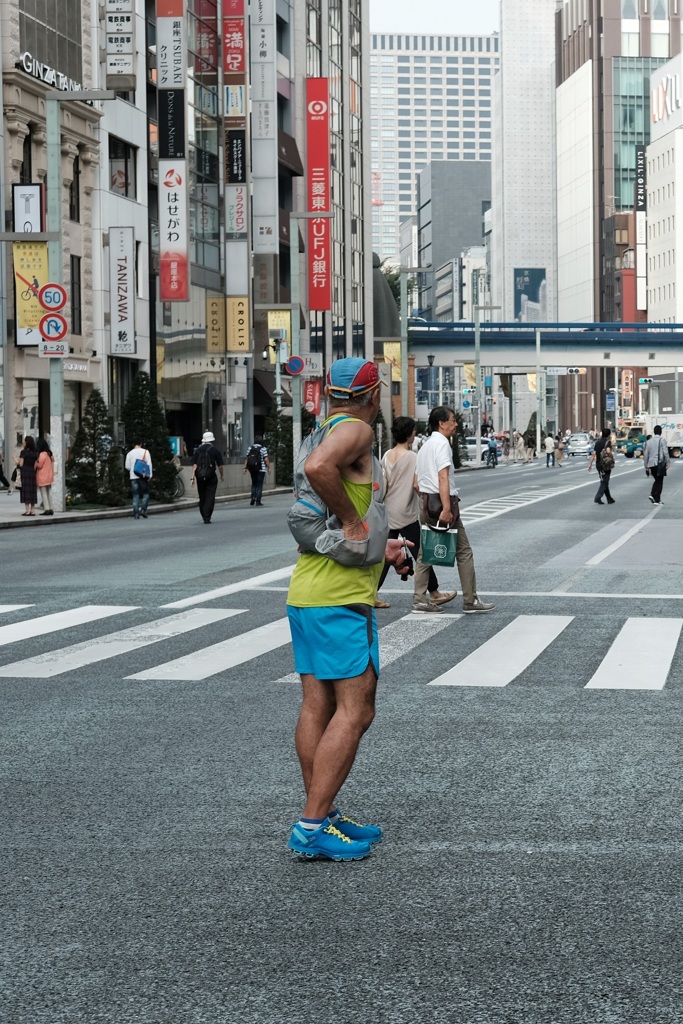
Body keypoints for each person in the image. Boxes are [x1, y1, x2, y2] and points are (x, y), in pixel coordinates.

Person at [286, 358, 412, 862]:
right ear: (373, 393)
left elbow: (329, 498)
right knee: (356, 709)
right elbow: (323, 477)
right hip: (338, 599)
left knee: (319, 705)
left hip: (309, 590)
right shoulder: (357, 429)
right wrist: (352, 522)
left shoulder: (321, 429)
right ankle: (313, 825)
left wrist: (379, 547)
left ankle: (324, 809)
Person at [414, 406, 495, 615]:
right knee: (464, 552)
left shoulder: (424, 446)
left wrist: (425, 500)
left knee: (425, 553)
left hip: (425, 503)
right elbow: (443, 477)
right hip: (441, 505)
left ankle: (420, 600)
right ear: (441, 423)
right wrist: (447, 508)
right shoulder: (441, 444)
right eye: (452, 420)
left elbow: (415, 482)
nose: (456, 423)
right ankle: (470, 600)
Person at [375, 416, 455, 610]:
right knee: (423, 553)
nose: (415, 435)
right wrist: (425, 497)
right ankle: (434, 593)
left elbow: (383, 484)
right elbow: (416, 484)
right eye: (413, 432)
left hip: (388, 510)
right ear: (410, 433)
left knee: (384, 554)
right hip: (406, 512)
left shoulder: (387, 455)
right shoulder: (412, 457)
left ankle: (370, 594)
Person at [191, 430, 224, 524]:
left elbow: (194, 465)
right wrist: (222, 475)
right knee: (210, 495)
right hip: (211, 476)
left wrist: (192, 477)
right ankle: (207, 516)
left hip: (199, 476)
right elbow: (220, 466)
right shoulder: (215, 450)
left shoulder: (197, 450)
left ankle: (203, 513)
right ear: (212, 440)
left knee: (202, 495)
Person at [124, 439, 153, 520]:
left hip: (133, 477)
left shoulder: (129, 453)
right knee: (146, 494)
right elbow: (149, 463)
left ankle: (136, 514)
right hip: (143, 476)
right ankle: (143, 510)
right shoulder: (145, 452)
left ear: (133, 444)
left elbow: (127, 466)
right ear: (141, 443)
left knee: (135, 495)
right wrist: (150, 475)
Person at [588, 427, 615, 505]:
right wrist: (611, 457)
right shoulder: (607, 442)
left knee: (604, 480)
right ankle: (598, 497)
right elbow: (608, 451)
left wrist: (590, 464)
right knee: (605, 481)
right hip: (606, 464)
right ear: (609, 435)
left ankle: (609, 498)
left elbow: (594, 453)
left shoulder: (598, 442)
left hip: (598, 464)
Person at [644, 424, 670, 505]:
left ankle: (655, 497)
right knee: (660, 480)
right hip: (659, 463)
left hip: (651, 464)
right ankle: (655, 497)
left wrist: (646, 465)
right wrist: (668, 462)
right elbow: (665, 452)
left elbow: (646, 454)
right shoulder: (662, 440)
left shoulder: (648, 442)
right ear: (661, 432)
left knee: (657, 480)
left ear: (654, 432)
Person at [243, 435, 270, 506]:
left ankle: (253, 497)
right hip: (261, 469)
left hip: (252, 469)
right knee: (259, 485)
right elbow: (266, 459)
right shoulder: (263, 448)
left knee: (254, 483)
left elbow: (247, 458)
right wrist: (269, 468)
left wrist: (245, 468)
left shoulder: (250, 447)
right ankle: (258, 501)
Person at [17, 435, 39, 516]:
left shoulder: (23, 452)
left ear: (27, 443)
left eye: (24, 441)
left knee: (26, 490)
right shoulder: (35, 453)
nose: (23, 442)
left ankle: (27, 510)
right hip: (32, 473)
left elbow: (21, 464)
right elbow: (35, 465)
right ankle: (33, 510)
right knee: (32, 490)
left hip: (25, 472)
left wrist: (16, 461)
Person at [35, 437, 55, 515]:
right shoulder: (50, 454)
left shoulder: (42, 454)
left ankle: (46, 509)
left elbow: (39, 465)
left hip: (42, 476)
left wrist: (35, 463)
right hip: (49, 476)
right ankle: (51, 508)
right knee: (49, 492)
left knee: (44, 493)